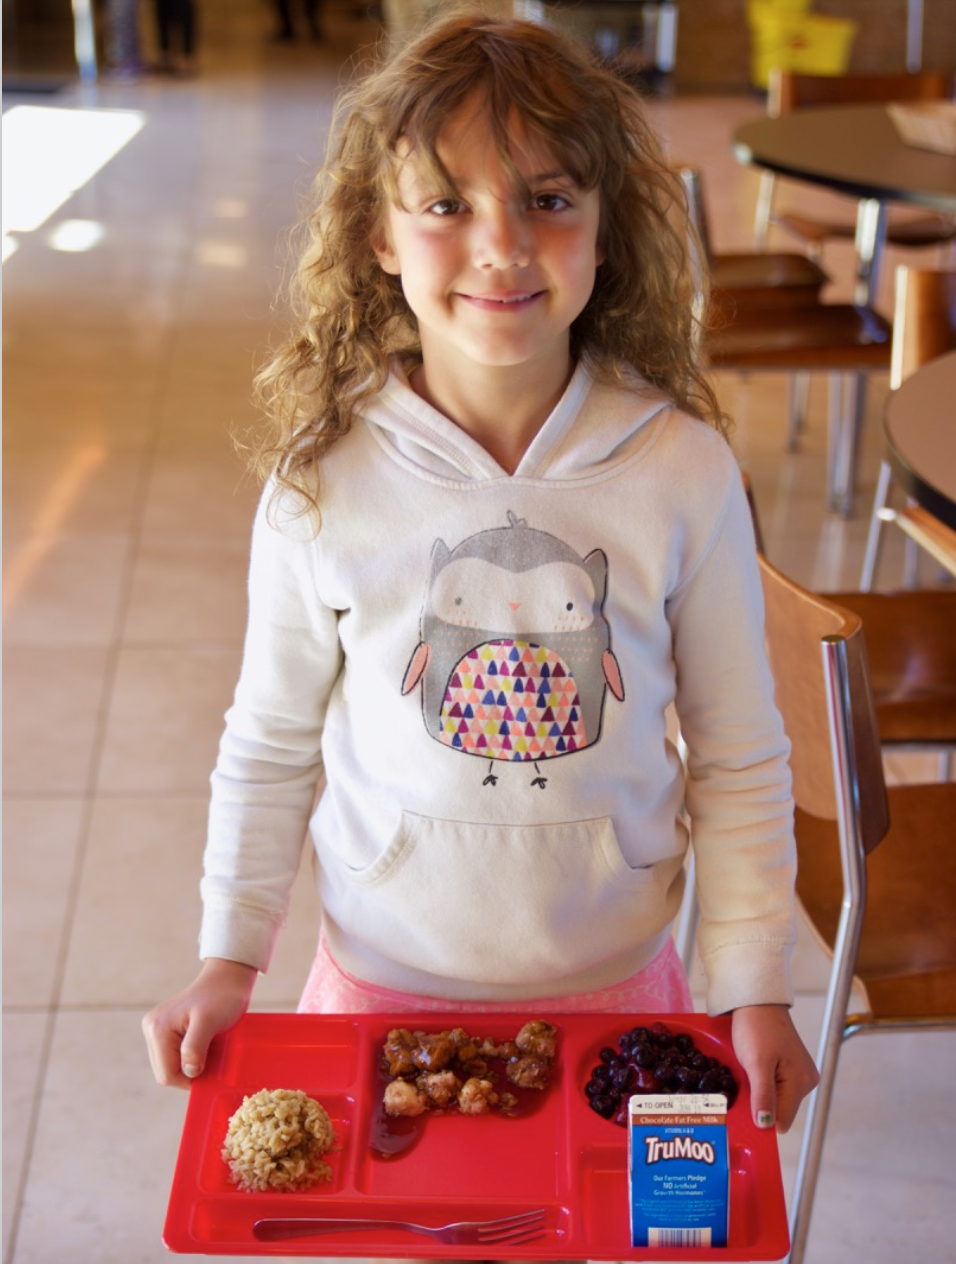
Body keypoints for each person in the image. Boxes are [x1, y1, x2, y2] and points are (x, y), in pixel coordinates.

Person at [142, 5, 818, 1136]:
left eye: (548, 200)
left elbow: (740, 750)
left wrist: (750, 979)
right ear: (379, 234)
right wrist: (226, 957)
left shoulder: (683, 471)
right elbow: (267, 743)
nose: (500, 247)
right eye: (447, 205)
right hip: (381, 987)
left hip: (616, 989)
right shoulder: (321, 483)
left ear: (607, 229)